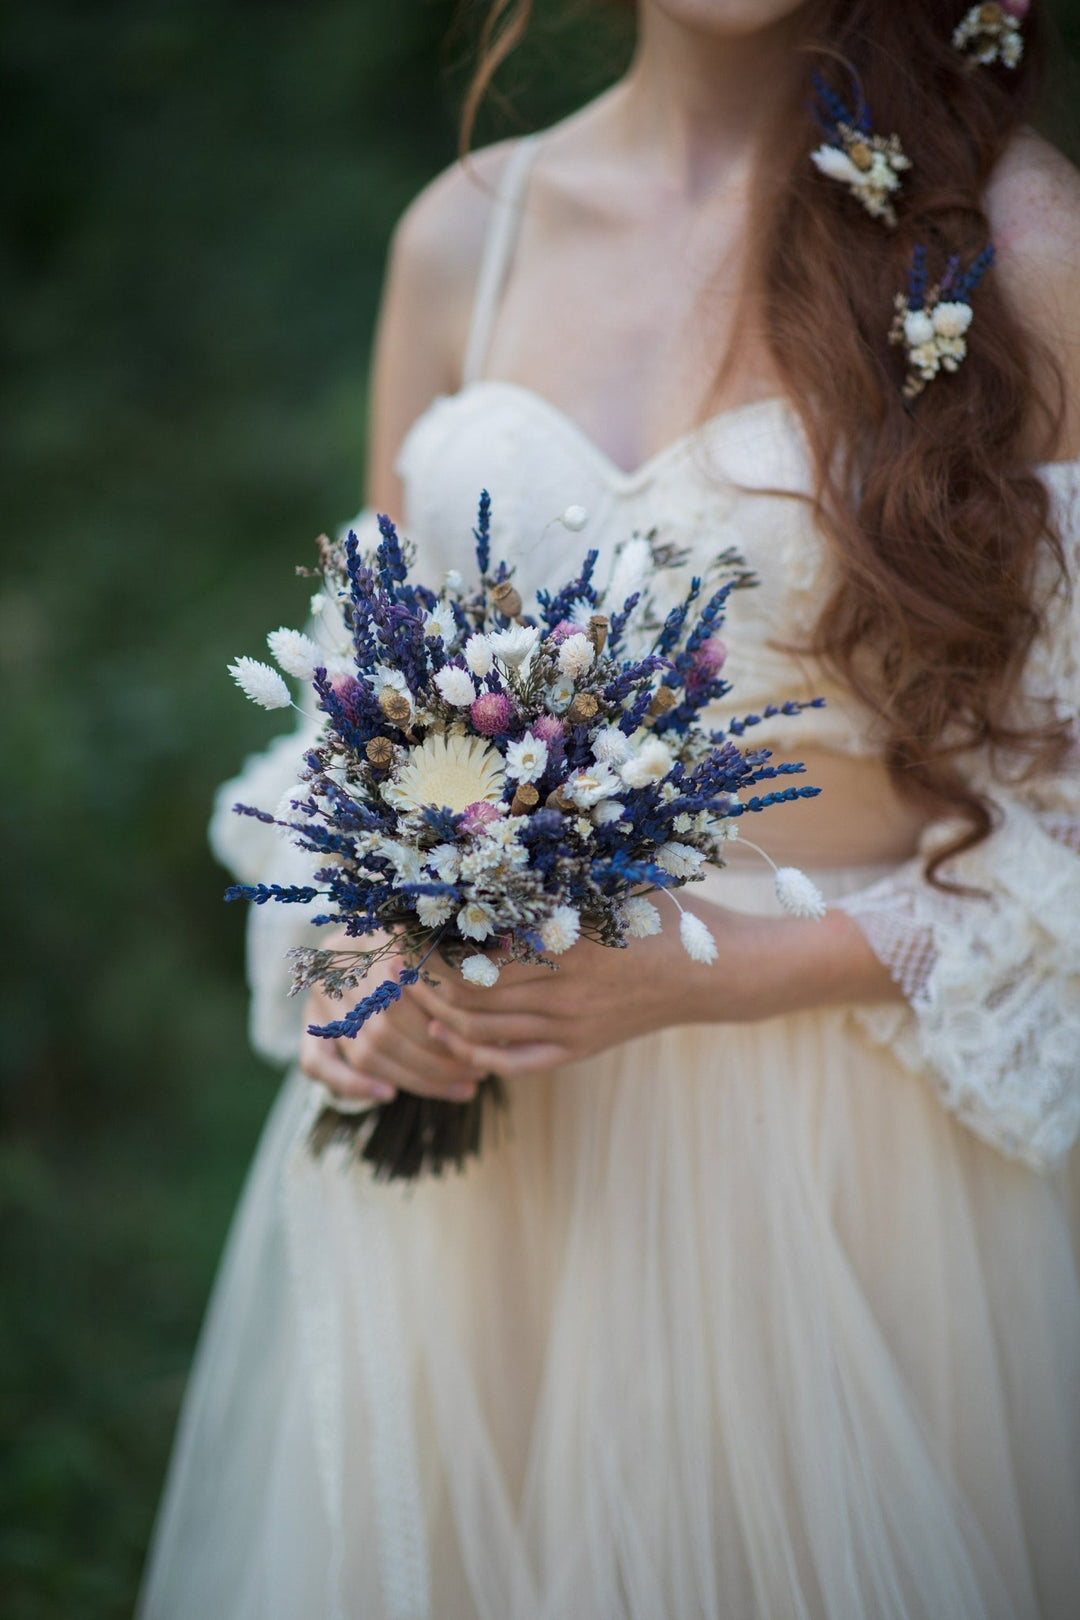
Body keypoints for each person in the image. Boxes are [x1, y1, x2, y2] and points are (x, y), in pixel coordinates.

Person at [138, 2, 1080, 1616]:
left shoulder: (1023, 247)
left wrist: (728, 969)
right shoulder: (465, 236)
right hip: (490, 1190)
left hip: (848, 1180)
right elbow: (354, 723)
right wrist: (356, 970)